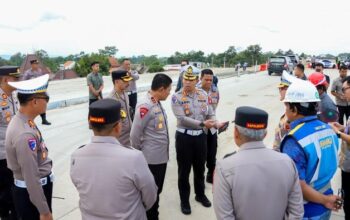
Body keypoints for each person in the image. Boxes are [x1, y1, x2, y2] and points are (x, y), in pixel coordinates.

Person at [71, 99, 157, 220]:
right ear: (117, 127)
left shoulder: (76, 156)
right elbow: (150, 195)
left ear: (90, 125)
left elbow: (79, 186)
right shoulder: (133, 158)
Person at [213, 106, 304, 220]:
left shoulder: (224, 168)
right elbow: (297, 212)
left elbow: (224, 217)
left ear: (236, 133)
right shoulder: (287, 162)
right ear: (265, 134)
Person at [280, 78, 342, 219]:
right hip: (326, 200)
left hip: (306, 210)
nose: (286, 110)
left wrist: (325, 200)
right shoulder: (328, 129)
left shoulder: (294, 140)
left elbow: (297, 184)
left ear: (294, 109)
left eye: (286, 106)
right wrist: (326, 199)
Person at [171, 65, 219, 215]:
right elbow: (181, 118)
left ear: (196, 80)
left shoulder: (203, 95)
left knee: (200, 169)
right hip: (184, 138)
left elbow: (210, 113)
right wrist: (202, 123)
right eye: (185, 79)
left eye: (191, 80)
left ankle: (200, 194)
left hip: (200, 137)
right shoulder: (176, 97)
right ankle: (184, 200)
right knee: (184, 171)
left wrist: (215, 122)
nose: (187, 82)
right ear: (182, 79)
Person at [5, 74, 53, 220]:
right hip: (32, 194)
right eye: (46, 99)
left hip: (31, 192)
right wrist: (44, 211)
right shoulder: (25, 134)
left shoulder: (23, 120)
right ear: (35, 101)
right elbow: (31, 177)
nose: (47, 103)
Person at [130, 73, 172, 220]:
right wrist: (139, 156)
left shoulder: (156, 102)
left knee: (156, 192)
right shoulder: (146, 105)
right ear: (161, 89)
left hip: (160, 158)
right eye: (168, 90)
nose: (169, 92)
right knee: (150, 195)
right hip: (151, 161)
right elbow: (135, 135)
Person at [197, 69, 226, 183]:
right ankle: (199, 179)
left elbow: (214, 106)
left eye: (211, 79)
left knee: (212, 152)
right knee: (200, 154)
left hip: (212, 124)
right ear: (201, 78)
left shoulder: (215, 90)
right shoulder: (195, 90)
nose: (209, 82)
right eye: (206, 80)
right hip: (200, 127)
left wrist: (214, 122)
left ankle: (210, 175)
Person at [0, 66, 20, 220]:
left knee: (15, 190)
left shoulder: (13, 96)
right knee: (5, 193)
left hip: (15, 152)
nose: (18, 82)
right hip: (2, 155)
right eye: (16, 79)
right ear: (6, 80)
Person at [108, 70, 133, 147]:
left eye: (128, 81)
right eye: (125, 81)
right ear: (117, 82)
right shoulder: (112, 99)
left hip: (129, 136)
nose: (128, 84)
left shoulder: (125, 94)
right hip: (119, 140)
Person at [22, 59, 51, 125]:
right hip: (32, 91)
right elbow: (23, 81)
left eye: (37, 64)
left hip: (39, 89)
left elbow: (43, 79)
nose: (37, 65)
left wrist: (48, 73)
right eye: (35, 64)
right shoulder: (28, 73)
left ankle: (44, 120)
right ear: (32, 65)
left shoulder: (39, 71)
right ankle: (28, 120)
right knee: (30, 105)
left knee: (44, 101)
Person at [273, 71, 294, 151]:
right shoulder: (288, 110)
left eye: (283, 88)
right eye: (279, 88)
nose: (280, 90)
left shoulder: (293, 115)